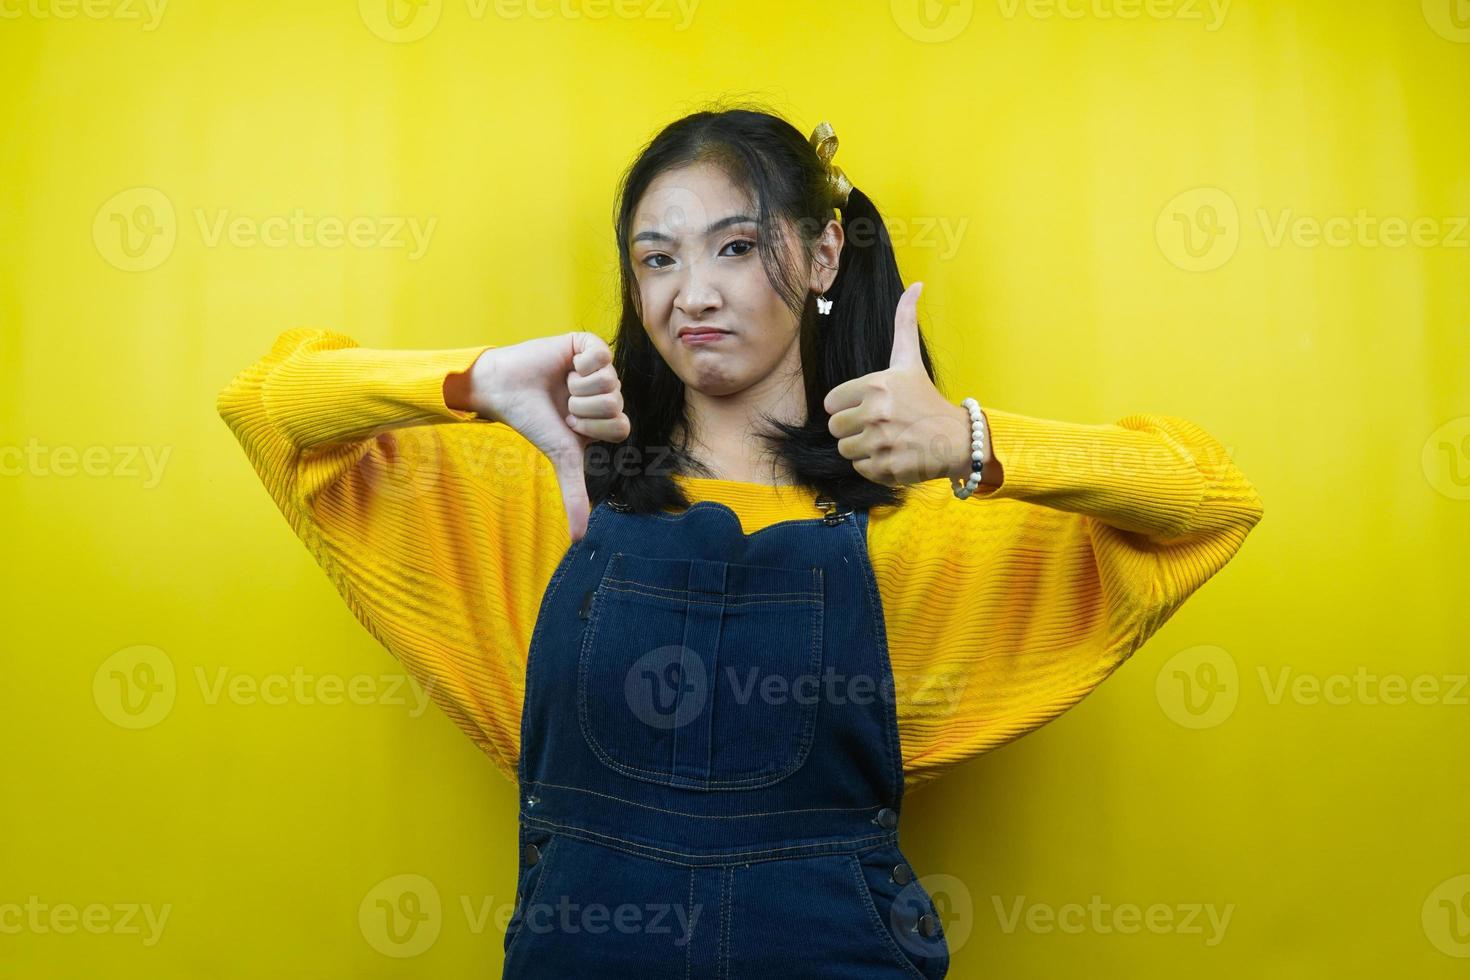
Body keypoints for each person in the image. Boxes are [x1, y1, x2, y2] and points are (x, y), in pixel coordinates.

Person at [216, 104, 1264, 978]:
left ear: (821, 252)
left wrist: (968, 438)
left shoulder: (928, 525)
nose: (695, 292)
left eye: (735, 245)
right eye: (656, 257)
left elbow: (1210, 497)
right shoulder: (550, 486)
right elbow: (267, 406)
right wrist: (472, 380)